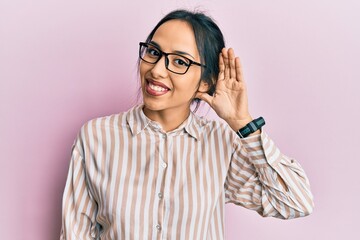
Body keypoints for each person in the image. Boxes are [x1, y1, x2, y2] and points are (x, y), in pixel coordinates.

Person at [60, 9, 314, 240]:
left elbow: (295, 202)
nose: (157, 70)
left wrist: (242, 123)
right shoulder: (96, 137)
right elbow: (76, 233)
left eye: (180, 61)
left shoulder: (221, 143)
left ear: (205, 82)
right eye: (153, 52)